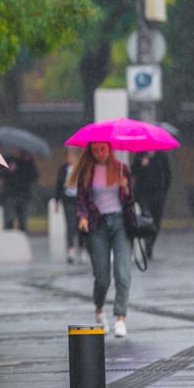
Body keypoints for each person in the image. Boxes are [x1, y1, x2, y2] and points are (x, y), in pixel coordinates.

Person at [70, 141, 134, 338]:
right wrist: (82, 218)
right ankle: (99, 309)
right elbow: (81, 200)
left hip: (121, 224)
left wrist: (126, 188)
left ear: (110, 149)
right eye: (95, 150)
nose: (99, 153)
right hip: (97, 225)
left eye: (103, 149)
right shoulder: (86, 172)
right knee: (102, 277)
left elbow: (130, 201)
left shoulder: (122, 169)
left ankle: (120, 318)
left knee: (123, 272)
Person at [131, 150, 171, 258]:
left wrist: (163, 191)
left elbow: (167, 174)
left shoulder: (162, 155)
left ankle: (149, 246)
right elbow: (133, 171)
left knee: (156, 221)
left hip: (158, 193)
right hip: (143, 193)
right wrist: (141, 164)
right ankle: (145, 243)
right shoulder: (140, 154)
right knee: (146, 217)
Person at [54, 147, 84, 263]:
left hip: (80, 200)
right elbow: (58, 185)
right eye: (68, 156)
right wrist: (57, 201)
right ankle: (70, 249)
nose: (70, 158)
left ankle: (81, 248)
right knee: (70, 225)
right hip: (68, 200)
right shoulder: (63, 169)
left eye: (72, 156)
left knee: (81, 225)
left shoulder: (82, 169)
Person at [0, 149, 38, 231]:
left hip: (24, 195)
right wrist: (8, 170)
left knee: (23, 221)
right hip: (10, 194)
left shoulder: (29, 161)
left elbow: (35, 177)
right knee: (9, 219)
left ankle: (22, 237)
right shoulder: (8, 159)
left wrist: (28, 163)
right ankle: (9, 239)